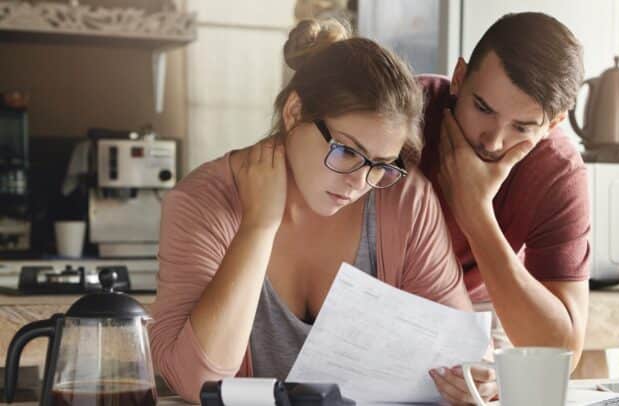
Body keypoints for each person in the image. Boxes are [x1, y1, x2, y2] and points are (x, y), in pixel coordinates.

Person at [149, 19, 488, 403]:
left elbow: (460, 353)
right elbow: (196, 381)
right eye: (345, 151)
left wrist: (476, 377)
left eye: (380, 164)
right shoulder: (202, 203)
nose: (359, 182)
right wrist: (259, 226)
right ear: (294, 112)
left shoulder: (404, 199)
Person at [420, 12, 591, 403]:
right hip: (378, 294)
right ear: (459, 78)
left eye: (523, 127)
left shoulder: (557, 171)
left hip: (484, 307)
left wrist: (476, 213)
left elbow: (561, 353)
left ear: (553, 123)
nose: (494, 141)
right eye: (483, 108)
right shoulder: (402, 114)